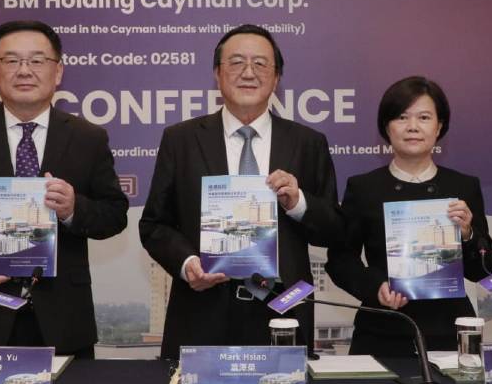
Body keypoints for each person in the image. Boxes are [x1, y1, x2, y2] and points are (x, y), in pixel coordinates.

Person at [0, 20, 128, 358]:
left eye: (37, 60)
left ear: (58, 71)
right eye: (12, 61)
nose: (24, 71)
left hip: (63, 318)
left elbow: (114, 215)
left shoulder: (88, 138)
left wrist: (73, 209)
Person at [139, 24, 342, 360]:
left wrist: (298, 203)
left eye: (260, 64)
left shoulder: (307, 143)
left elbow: (334, 229)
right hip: (201, 310)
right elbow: (154, 225)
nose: (249, 72)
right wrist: (188, 263)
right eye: (236, 63)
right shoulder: (181, 140)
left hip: (283, 312)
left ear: (276, 78)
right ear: (217, 74)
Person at [325, 76, 492, 354]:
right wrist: (375, 287)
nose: (413, 127)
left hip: (448, 330)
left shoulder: (463, 186)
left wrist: (468, 234)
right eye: (402, 117)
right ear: (387, 127)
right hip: (383, 328)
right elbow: (340, 260)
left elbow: (483, 270)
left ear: (439, 127)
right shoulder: (364, 188)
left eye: (424, 117)